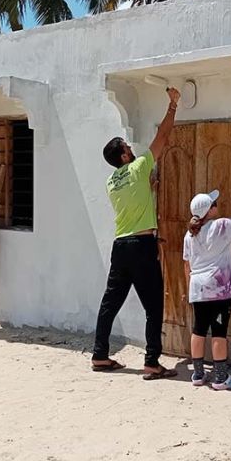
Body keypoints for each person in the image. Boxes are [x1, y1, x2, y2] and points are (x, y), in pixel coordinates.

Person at [92, 87, 181, 380]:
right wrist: (172, 105)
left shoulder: (111, 182)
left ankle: (100, 355)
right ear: (124, 154)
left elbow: (135, 199)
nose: (131, 147)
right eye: (127, 146)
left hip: (121, 245)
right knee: (154, 306)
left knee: (110, 302)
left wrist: (149, 190)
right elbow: (163, 138)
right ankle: (152, 362)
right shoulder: (140, 167)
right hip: (142, 245)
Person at [184, 182, 231, 390]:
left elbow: (186, 264)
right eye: (214, 204)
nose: (217, 206)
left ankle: (198, 374)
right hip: (219, 288)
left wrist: (190, 286)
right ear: (210, 210)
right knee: (218, 331)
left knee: (198, 330)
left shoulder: (189, 234)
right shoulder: (222, 225)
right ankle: (221, 378)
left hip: (197, 287)